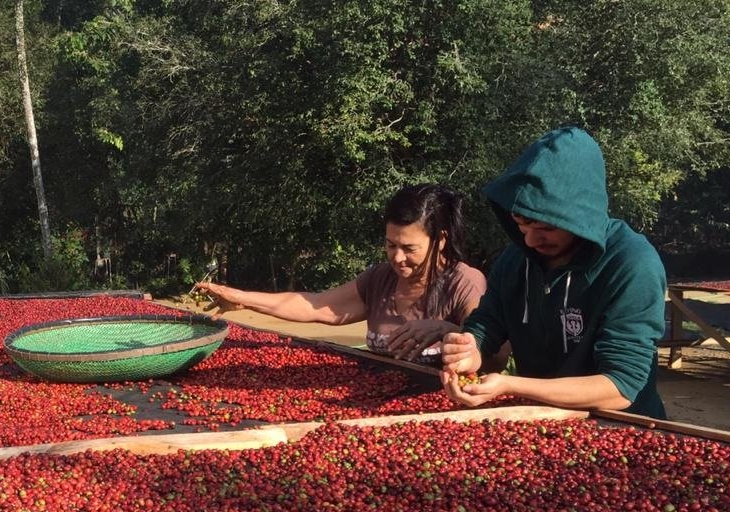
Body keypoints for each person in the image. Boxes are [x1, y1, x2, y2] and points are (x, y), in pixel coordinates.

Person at [439, 126, 667, 418]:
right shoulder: (515, 259)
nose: (531, 241)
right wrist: (470, 349)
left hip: (622, 429)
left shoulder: (632, 264)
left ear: (580, 215)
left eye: (546, 228)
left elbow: (619, 387)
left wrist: (511, 385)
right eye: (522, 225)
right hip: (542, 423)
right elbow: (488, 323)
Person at [197, 184, 486, 363]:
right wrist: (243, 299)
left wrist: (448, 330)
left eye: (409, 248)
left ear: (441, 240)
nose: (397, 257)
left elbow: (495, 355)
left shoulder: (464, 284)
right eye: (390, 244)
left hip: (438, 420)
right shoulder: (379, 279)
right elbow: (317, 305)